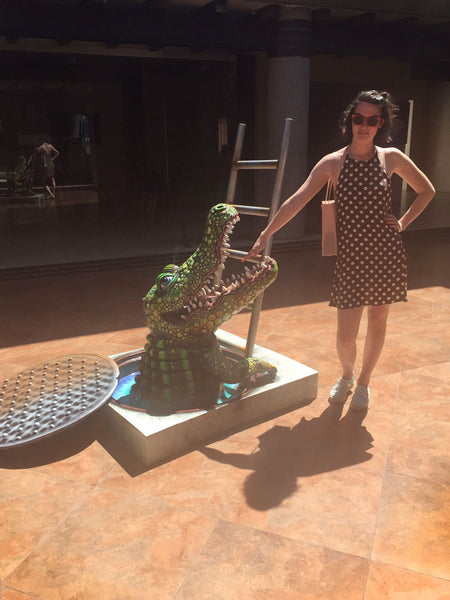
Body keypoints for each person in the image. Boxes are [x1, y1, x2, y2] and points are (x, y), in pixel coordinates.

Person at [243, 90, 435, 411]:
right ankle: (347, 375)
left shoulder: (390, 158)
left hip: (386, 254)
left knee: (377, 319)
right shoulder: (333, 162)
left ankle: (364, 383)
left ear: (380, 124)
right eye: (358, 118)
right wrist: (266, 232)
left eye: (371, 121)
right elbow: (298, 199)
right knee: (346, 336)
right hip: (351, 260)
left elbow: (426, 191)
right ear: (351, 120)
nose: (363, 126)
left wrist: (401, 223)